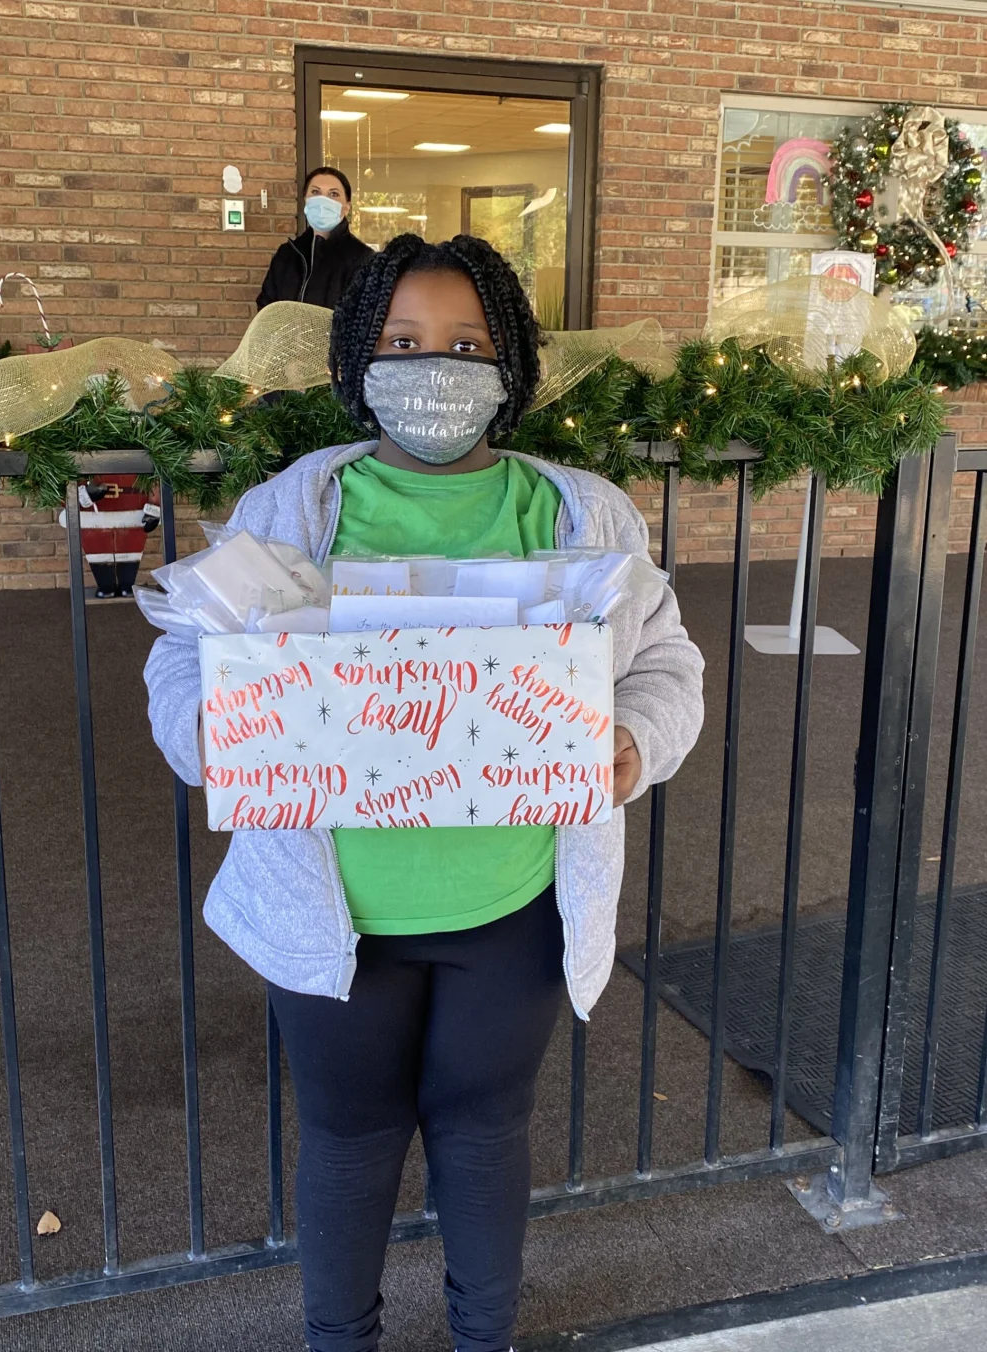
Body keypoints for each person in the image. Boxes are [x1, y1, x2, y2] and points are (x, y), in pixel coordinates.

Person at [145, 234, 704, 1352]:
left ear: (510, 366)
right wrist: (216, 735)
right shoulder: (292, 509)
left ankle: (481, 1336)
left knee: (487, 1129)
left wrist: (634, 746)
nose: (433, 367)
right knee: (350, 1139)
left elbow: (665, 665)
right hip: (334, 910)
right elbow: (183, 660)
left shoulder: (580, 515)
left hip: (513, 905)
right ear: (360, 357)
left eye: (465, 343)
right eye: (403, 341)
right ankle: (339, 1338)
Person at [256, 166, 374, 311]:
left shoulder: (363, 259)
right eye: (315, 192)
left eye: (333, 194)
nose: (323, 200)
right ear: (305, 199)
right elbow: (266, 309)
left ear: (347, 207)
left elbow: (365, 319)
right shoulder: (287, 254)